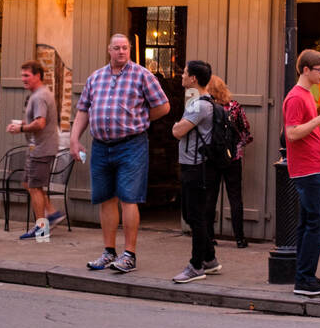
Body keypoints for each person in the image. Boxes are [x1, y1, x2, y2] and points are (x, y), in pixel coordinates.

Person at [71, 34, 170, 273]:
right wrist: (74, 139)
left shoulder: (142, 75)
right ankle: (108, 252)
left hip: (131, 145)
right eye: (117, 48)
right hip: (101, 145)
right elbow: (83, 110)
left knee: (128, 197)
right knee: (105, 198)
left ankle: (129, 254)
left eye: (125, 48)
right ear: (109, 50)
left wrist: (141, 119)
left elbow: (163, 106)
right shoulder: (96, 77)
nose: (121, 52)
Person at [283, 48, 320, 297]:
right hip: (307, 169)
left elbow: (303, 132)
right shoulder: (297, 97)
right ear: (305, 69)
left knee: (308, 223)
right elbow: (292, 133)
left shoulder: (308, 94)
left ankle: (305, 277)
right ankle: (305, 279)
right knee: (314, 223)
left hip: (312, 164)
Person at [170, 60, 222, 283]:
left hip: (195, 167)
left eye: (184, 72)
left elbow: (178, 131)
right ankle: (210, 259)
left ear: (193, 79)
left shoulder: (198, 105)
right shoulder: (205, 102)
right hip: (201, 166)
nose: (181, 75)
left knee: (195, 216)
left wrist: (176, 125)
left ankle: (195, 265)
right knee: (195, 214)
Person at [9, 60, 65, 240]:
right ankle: (52, 213)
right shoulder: (38, 94)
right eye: (22, 75)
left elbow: (40, 123)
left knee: (34, 187)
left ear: (37, 76)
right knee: (28, 183)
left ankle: (41, 228)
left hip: (42, 148)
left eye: (27, 75)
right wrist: (24, 124)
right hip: (37, 148)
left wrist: (21, 128)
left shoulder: (40, 96)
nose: (23, 79)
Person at [204, 75, 251, 248]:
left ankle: (209, 237)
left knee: (210, 197)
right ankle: (240, 238)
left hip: (211, 158)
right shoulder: (235, 107)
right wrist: (236, 148)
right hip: (233, 158)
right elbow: (246, 132)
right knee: (235, 197)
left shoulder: (206, 107)